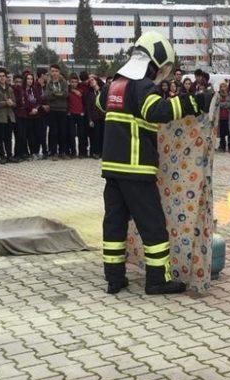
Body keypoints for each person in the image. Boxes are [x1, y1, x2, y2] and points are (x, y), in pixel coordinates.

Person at [98, 32, 199, 295]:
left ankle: (114, 277)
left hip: (112, 170)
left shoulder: (113, 86)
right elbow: (158, 111)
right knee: (153, 226)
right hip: (137, 170)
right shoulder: (142, 86)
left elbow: (98, 104)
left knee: (114, 224)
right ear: (154, 63)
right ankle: (157, 280)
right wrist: (194, 102)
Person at [0, 68, 17, 162]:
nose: (2, 78)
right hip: (0, 117)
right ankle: (2, 156)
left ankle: (10, 155)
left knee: (8, 138)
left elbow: (14, 103)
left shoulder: (10, 89)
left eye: (3, 76)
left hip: (9, 116)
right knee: (0, 138)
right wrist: (6, 103)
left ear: (6, 77)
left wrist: (11, 103)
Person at [45, 65, 69, 160]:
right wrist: (58, 94)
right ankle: (54, 152)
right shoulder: (49, 83)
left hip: (62, 109)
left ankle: (62, 152)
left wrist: (55, 93)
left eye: (56, 71)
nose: (54, 73)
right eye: (52, 71)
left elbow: (66, 94)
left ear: (59, 72)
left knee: (63, 132)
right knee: (54, 132)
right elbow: (48, 96)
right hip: (53, 110)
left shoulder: (63, 82)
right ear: (50, 72)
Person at [85, 74, 106, 158]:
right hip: (95, 118)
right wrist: (90, 120)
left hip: (104, 117)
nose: (91, 82)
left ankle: (103, 153)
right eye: (89, 81)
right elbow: (88, 108)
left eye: (92, 80)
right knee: (95, 136)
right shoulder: (90, 94)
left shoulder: (104, 91)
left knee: (103, 135)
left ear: (97, 80)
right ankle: (96, 152)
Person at [67, 74, 86, 157]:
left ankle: (81, 152)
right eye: (72, 82)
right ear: (69, 82)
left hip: (80, 114)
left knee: (81, 134)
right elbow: (66, 102)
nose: (74, 83)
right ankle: (73, 152)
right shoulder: (67, 91)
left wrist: (83, 111)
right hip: (71, 114)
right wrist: (68, 111)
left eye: (75, 82)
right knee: (71, 134)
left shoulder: (81, 90)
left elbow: (85, 102)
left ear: (78, 82)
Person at [215, 82, 230, 153]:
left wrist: (221, 104)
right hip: (220, 117)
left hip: (228, 116)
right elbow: (216, 104)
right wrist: (225, 104)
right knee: (222, 133)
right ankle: (222, 147)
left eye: (224, 86)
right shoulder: (218, 95)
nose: (223, 88)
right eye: (221, 87)